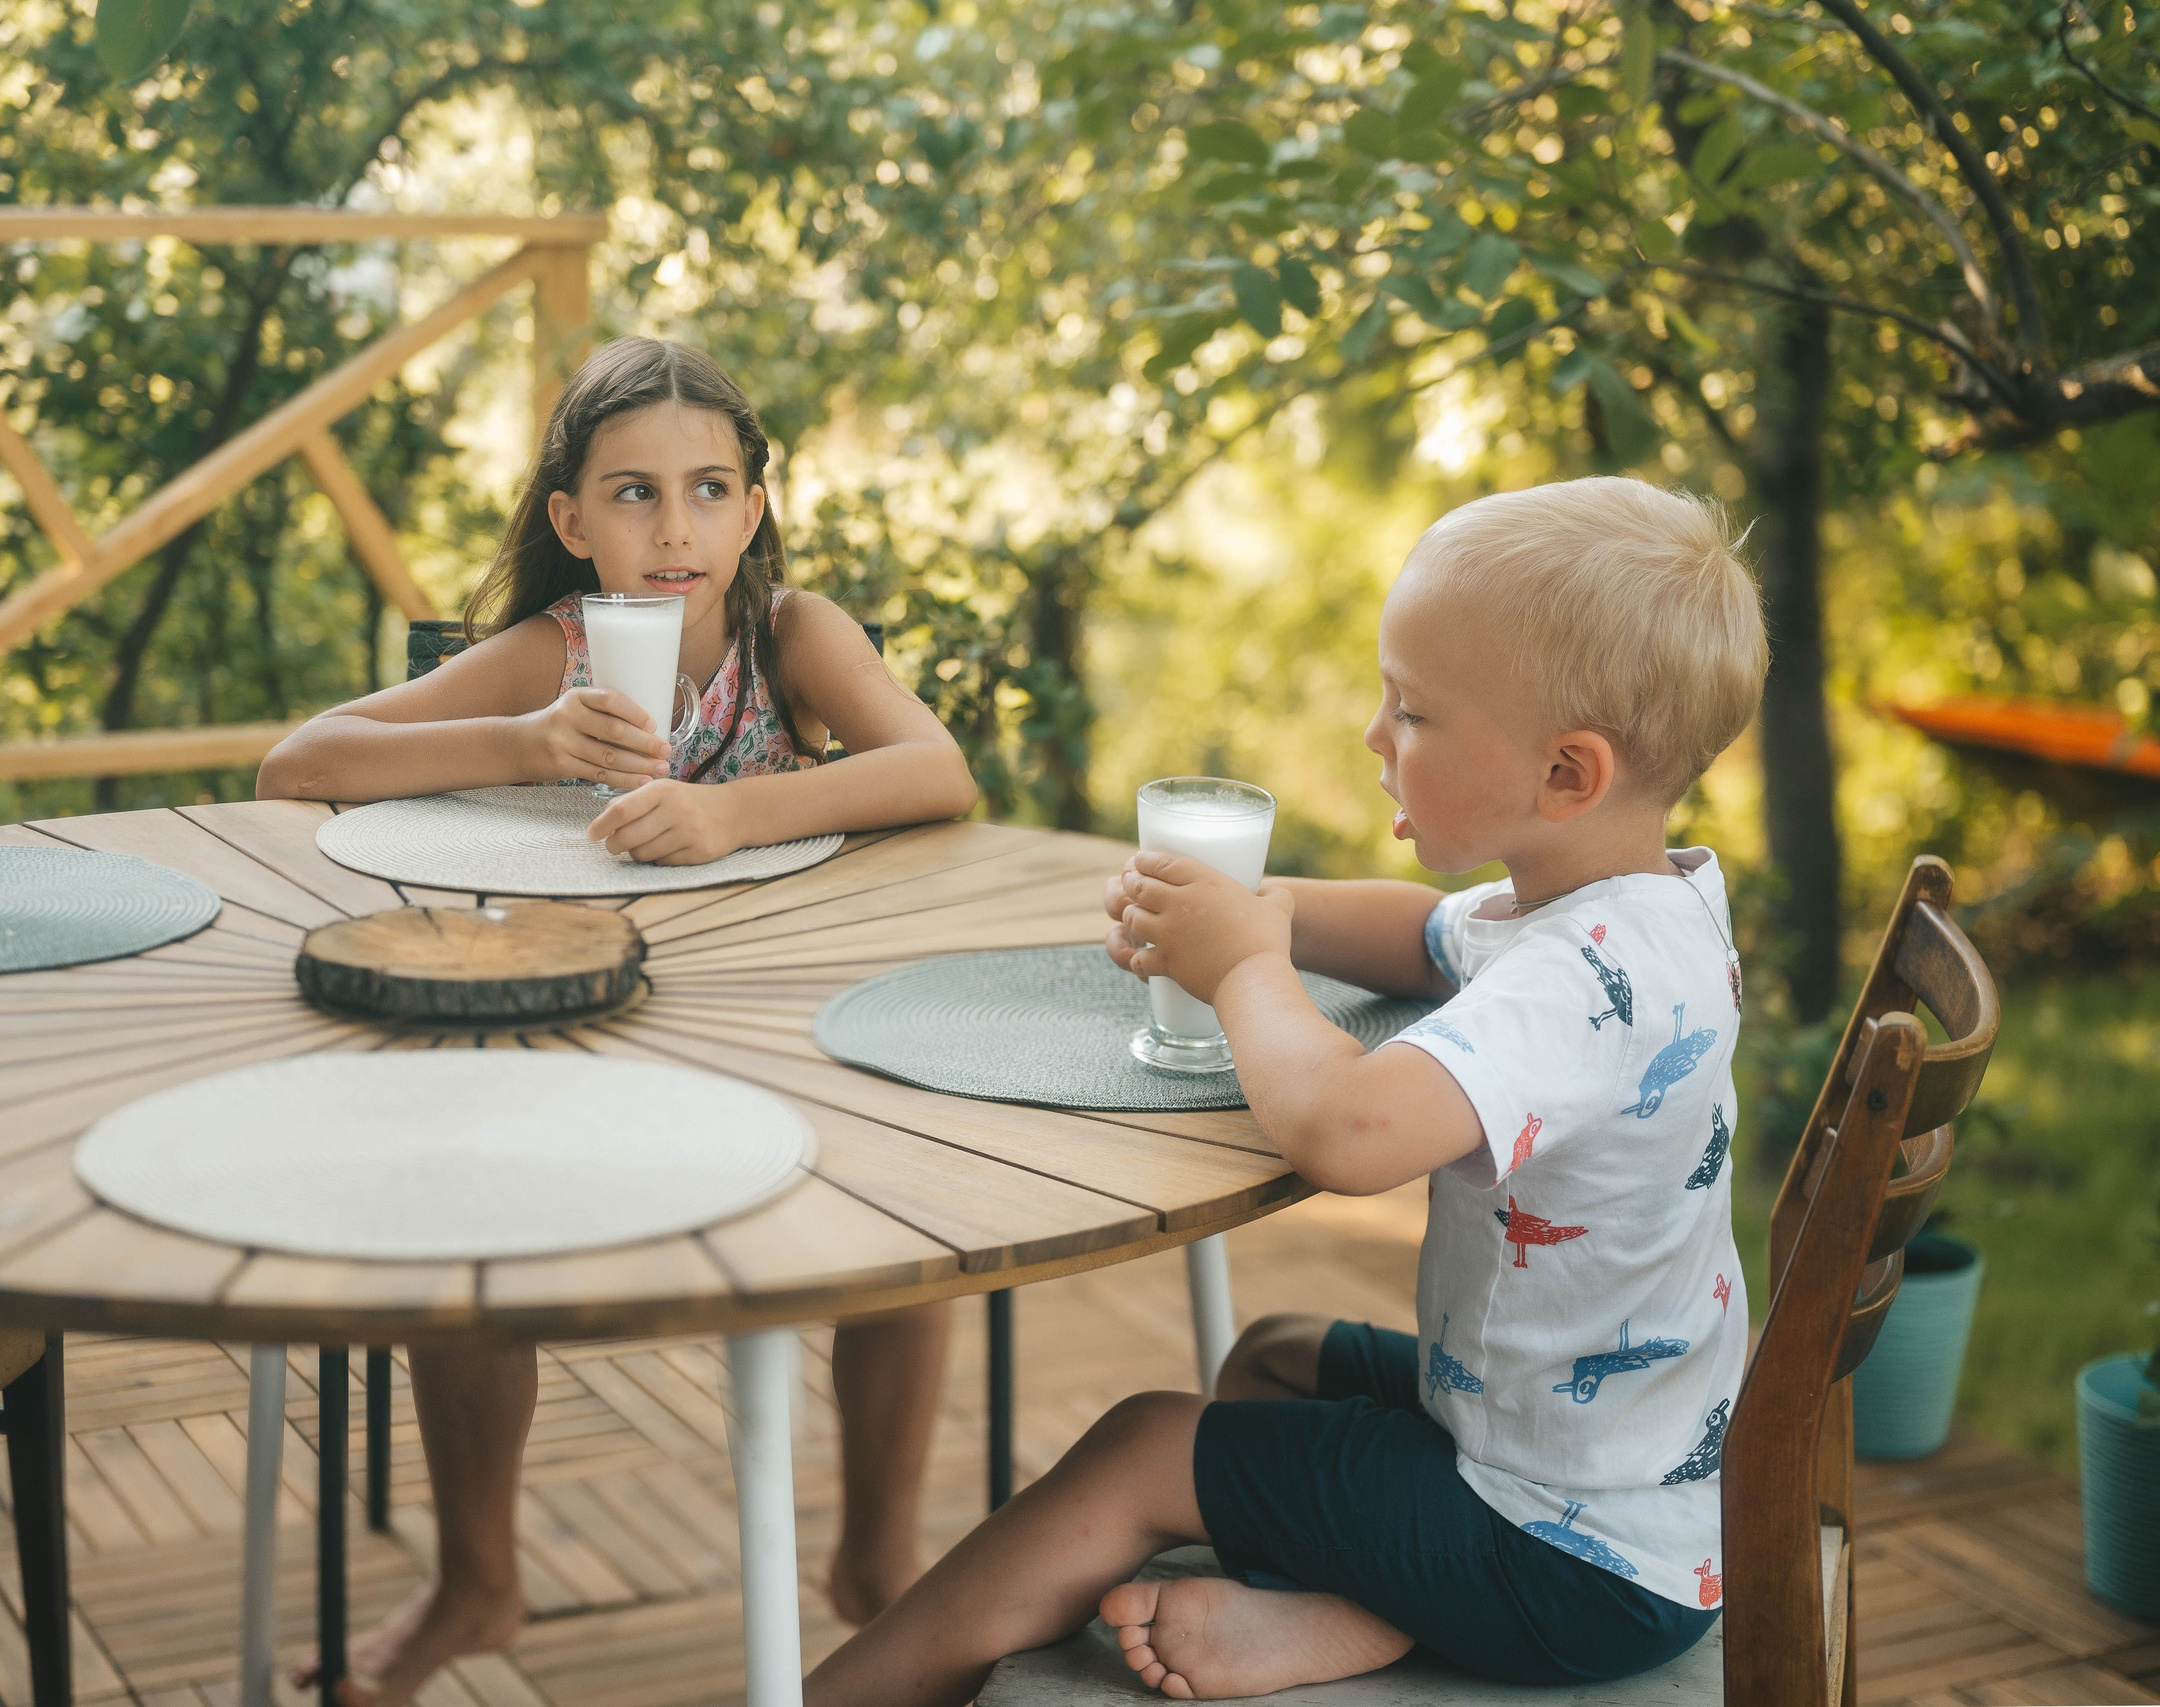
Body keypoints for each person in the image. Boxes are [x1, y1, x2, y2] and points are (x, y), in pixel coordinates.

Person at [804, 477, 1769, 1704]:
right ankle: (1358, 1608)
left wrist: (1247, 967)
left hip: (1563, 1558)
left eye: (1411, 712)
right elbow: (1428, 934)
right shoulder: (1634, 901)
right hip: (1626, 1480)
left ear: (1567, 773)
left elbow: (1347, 1133)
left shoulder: (1582, 981)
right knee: (1269, 1357)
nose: (1375, 736)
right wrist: (1255, 910)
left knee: (1139, 1448)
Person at [259, 336, 980, 1707]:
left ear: (754, 508)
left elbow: (936, 769)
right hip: (576, 1038)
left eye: (711, 488)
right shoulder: (556, 650)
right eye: (634, 494)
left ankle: (877, 1563)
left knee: (907, 1203)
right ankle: (479, 1573)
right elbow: (301, 762)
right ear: (572, 522)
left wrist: (732, 809)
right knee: (455, 1211)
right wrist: (527, 740)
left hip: (783, 1029)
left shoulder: (794, 639)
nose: (676, 527)